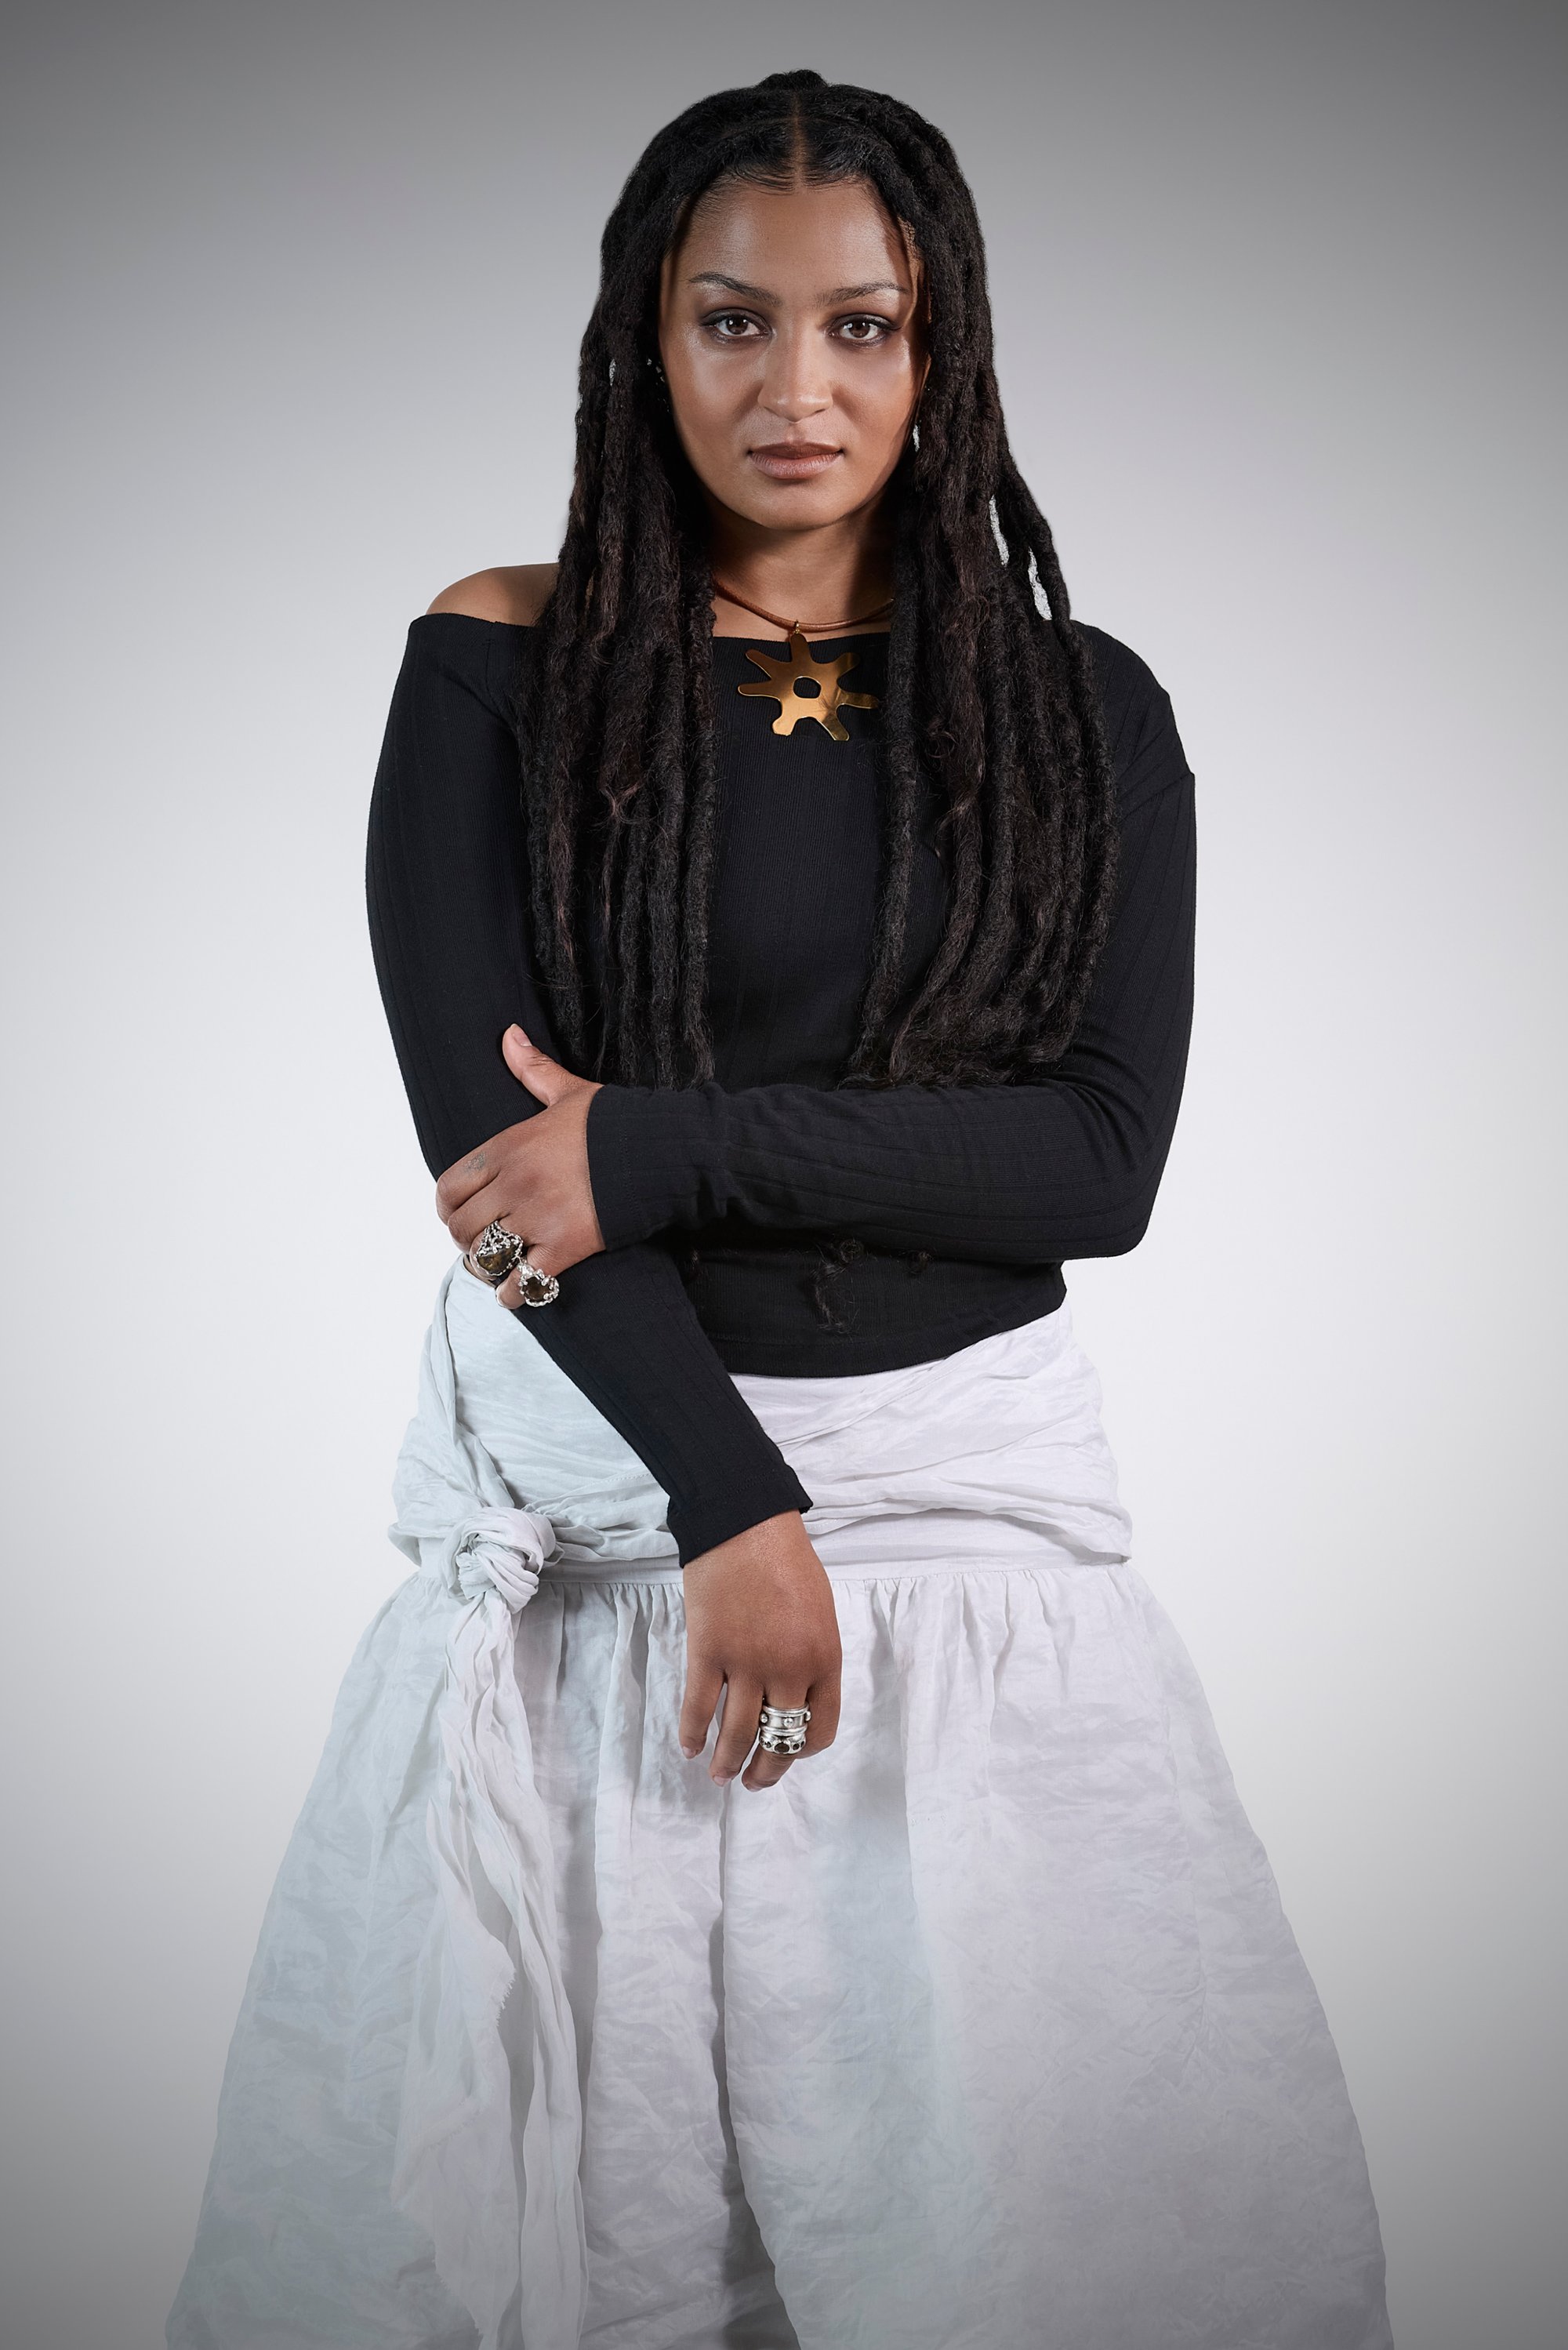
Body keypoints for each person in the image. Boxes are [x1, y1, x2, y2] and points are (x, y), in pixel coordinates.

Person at [167, 69, 1392, 2350]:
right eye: (733, 324)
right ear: (648, 335)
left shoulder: (1078, 714)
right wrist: (733, 1509)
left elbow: (1095, 1164)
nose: (796, 390)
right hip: (611, 1585)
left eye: (863, 329)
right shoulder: (501, 666)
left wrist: (665, 1145)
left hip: (977, 1604)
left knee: (1042, 2249)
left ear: (946, 354)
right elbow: (489, 1173)